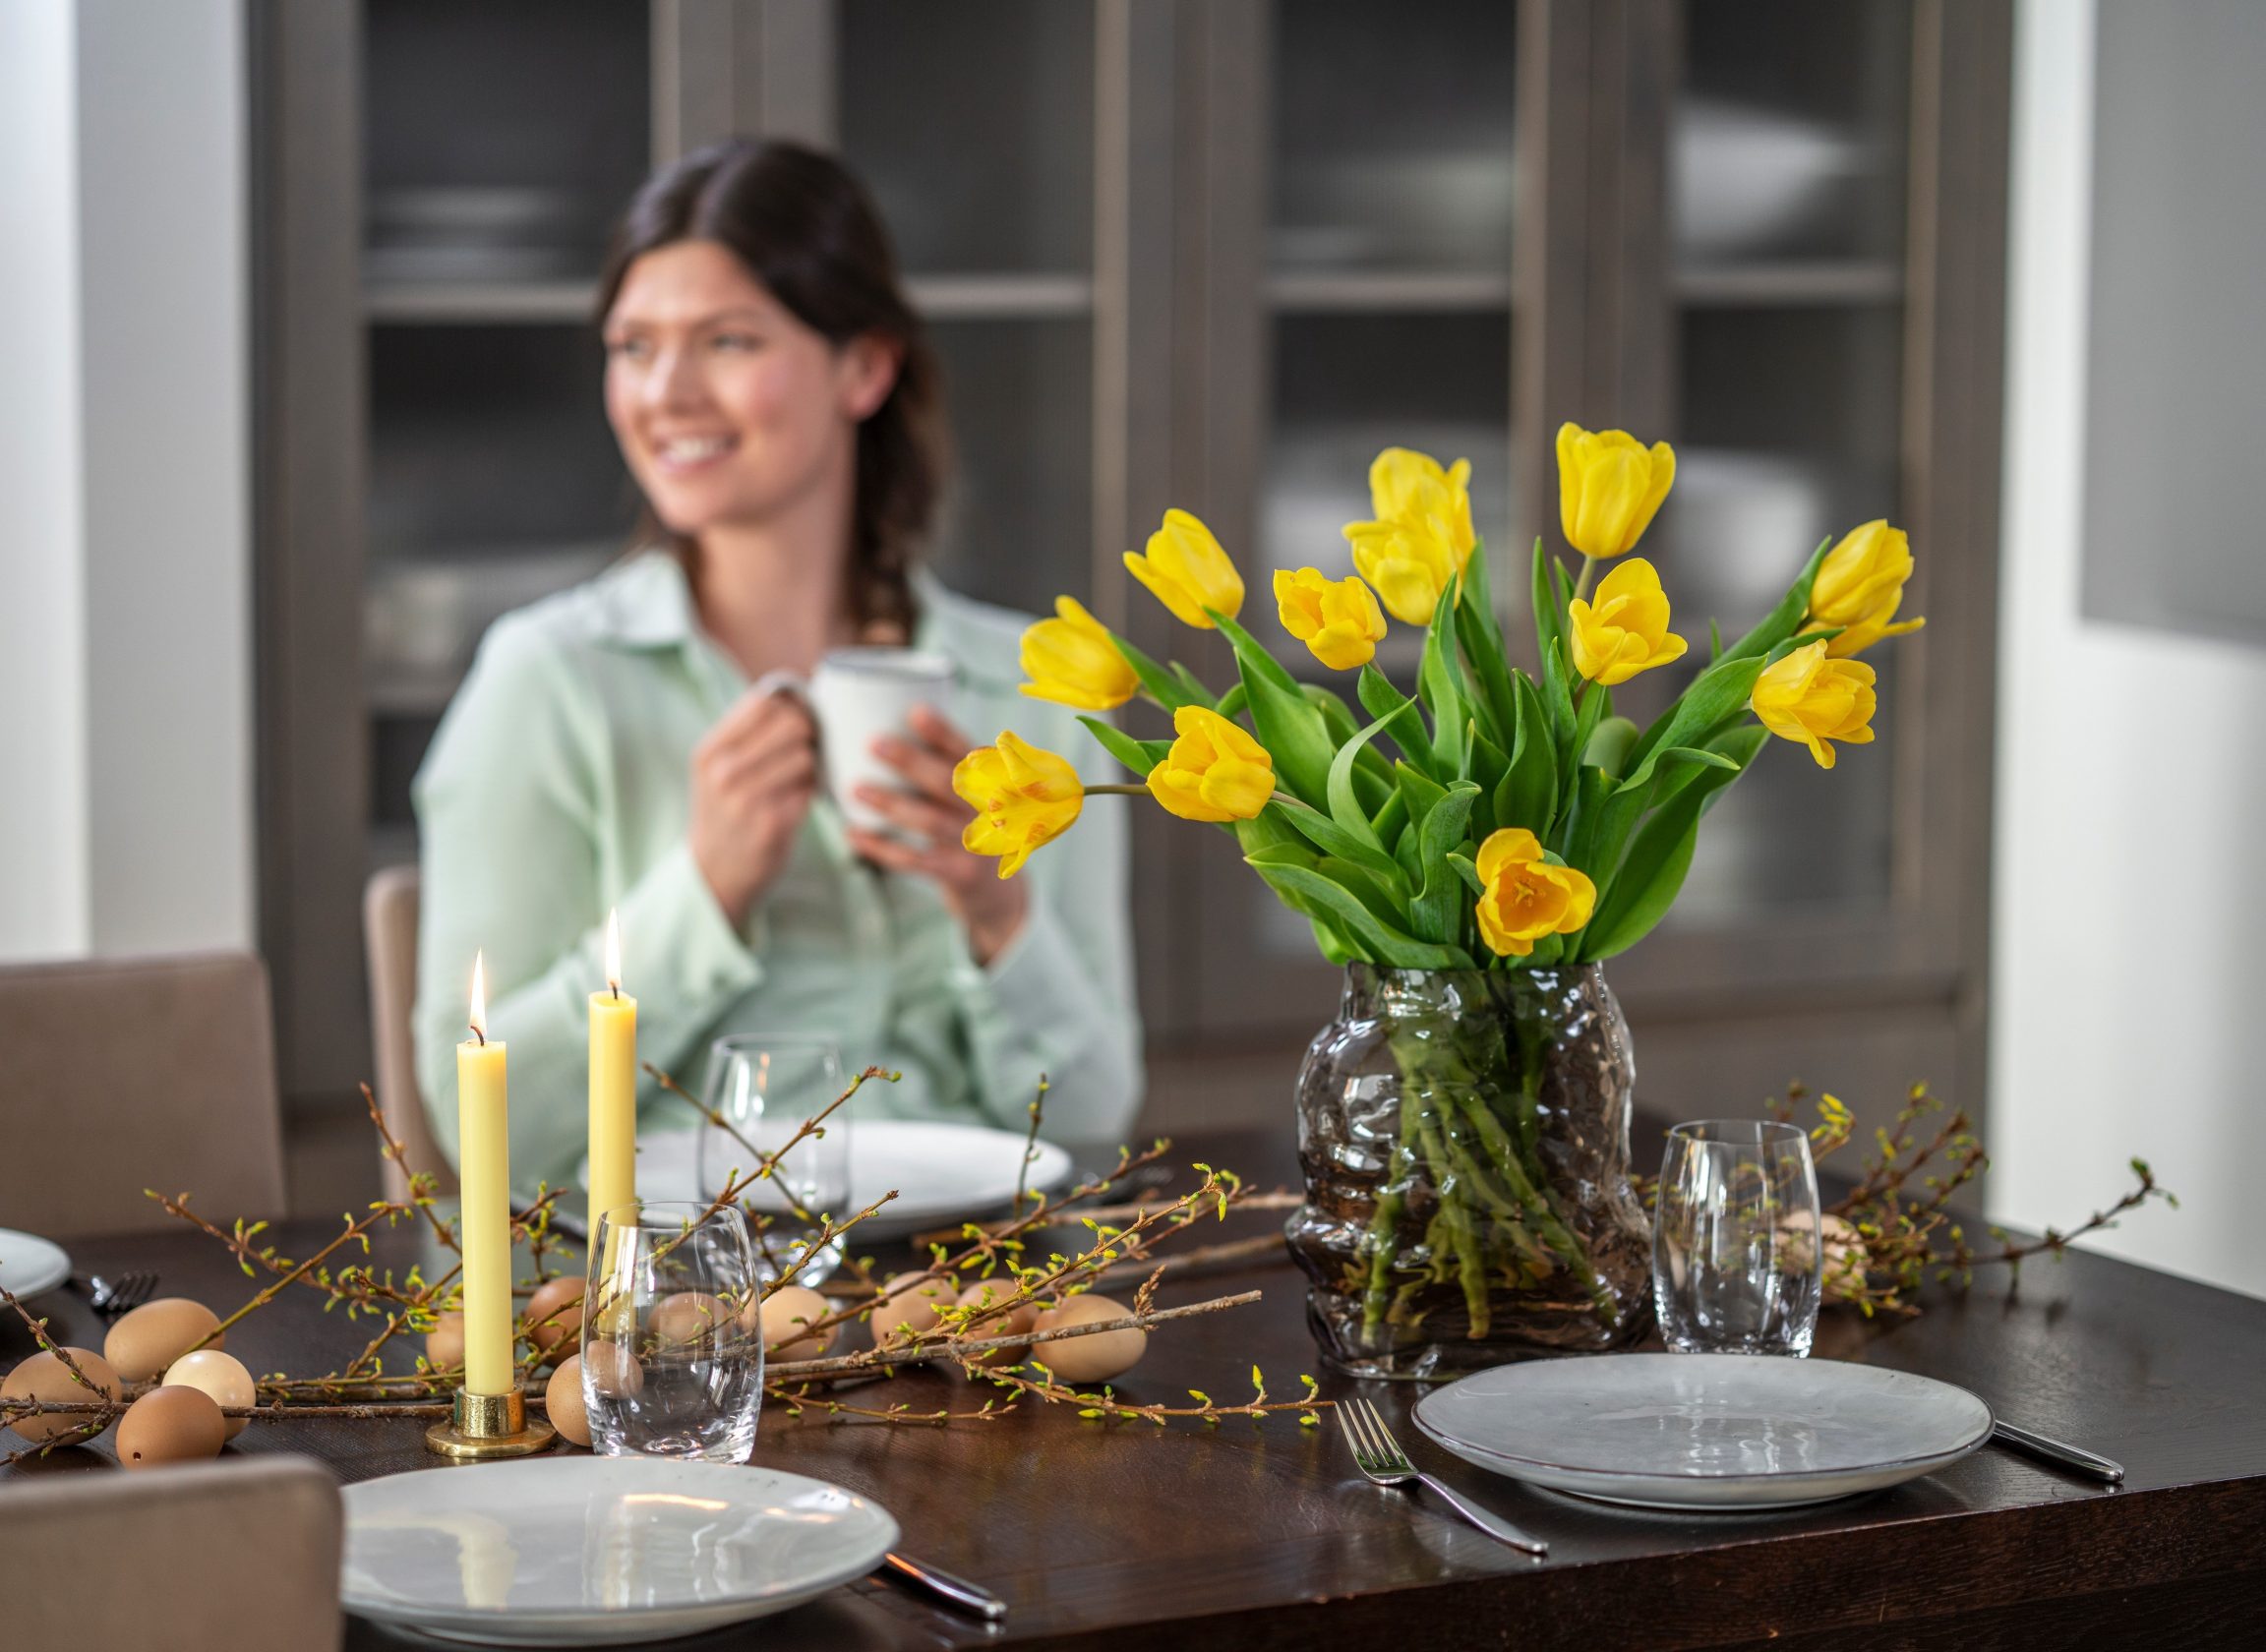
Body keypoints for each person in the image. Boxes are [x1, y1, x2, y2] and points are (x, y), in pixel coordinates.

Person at [411, 140, 1141, 1194]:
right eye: (633, 347)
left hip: (978, 1292)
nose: (666, 393)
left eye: (728, 341)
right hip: (677, 1307)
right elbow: (485, 1132)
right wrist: (703, 893)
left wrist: (997, 914)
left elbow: (1097, 1118)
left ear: (866, 368)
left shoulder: (1041, 694)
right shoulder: (546, 680)